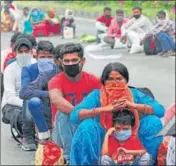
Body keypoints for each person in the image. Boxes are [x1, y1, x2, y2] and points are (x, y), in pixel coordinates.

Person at [70, 62, 165, 165]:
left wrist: (133, 105)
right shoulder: (97, 95)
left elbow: (160, 111)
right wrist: (104, 109)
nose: (115, 83)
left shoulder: (134, 94)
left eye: (119, 79)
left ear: (126, 80)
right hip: (105, 136)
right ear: (104, 81)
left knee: (153, 122)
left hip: (132, 135)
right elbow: (74, 115)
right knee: (87, 126)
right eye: (110, 79)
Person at [48, 43, 101, 164]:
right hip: (63, 132)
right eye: (67, 61)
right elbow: (56, 99)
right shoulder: (56, 81)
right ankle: (69, 158)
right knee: (63, 113)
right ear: (61, 62)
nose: (70, 64)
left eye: (74, 60)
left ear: (82, 61)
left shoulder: (94, 81)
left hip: (87, 127)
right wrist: (80, 114)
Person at [20, 40, 55, 151]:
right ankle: (28, 136)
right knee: (32, 100)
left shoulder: (58, 69)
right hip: (37, 104)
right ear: (36, 56)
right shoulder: (29, 70)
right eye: (43, 57)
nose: (46, 60)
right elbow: (24, 92)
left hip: (55, 104)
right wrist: (48, 94)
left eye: (49, 57)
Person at [1, 38, 34, 139]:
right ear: (15, 53)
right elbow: (10, 97)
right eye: (20, 52)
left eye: (26, 51)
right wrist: (27, 105)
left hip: (33, 101)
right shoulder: (10, 69)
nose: (24, 54)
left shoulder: (36, 65)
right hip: (13, 104)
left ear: (31, 52)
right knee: (22, 116)